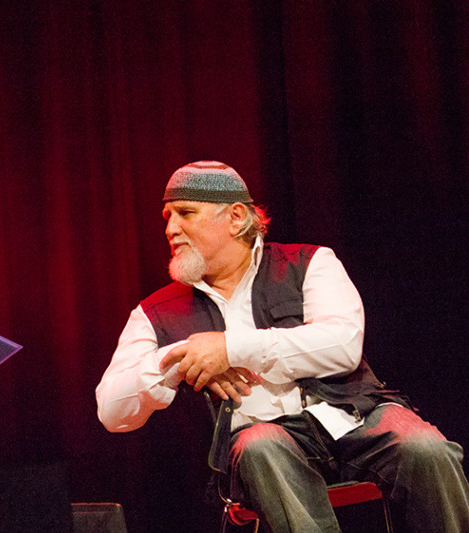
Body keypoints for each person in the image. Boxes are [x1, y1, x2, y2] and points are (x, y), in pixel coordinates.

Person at [96, 161, 469, 532]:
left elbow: (342, 345)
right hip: (266, 442)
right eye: (167, 217)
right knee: (260, 447)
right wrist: (178, 358)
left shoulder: (310, 263)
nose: (171, 228)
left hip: (354, 416)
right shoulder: (156, 311)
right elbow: (112, 411)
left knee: (426, 448)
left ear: (236, 217)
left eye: (185, 213)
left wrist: (229, 348)